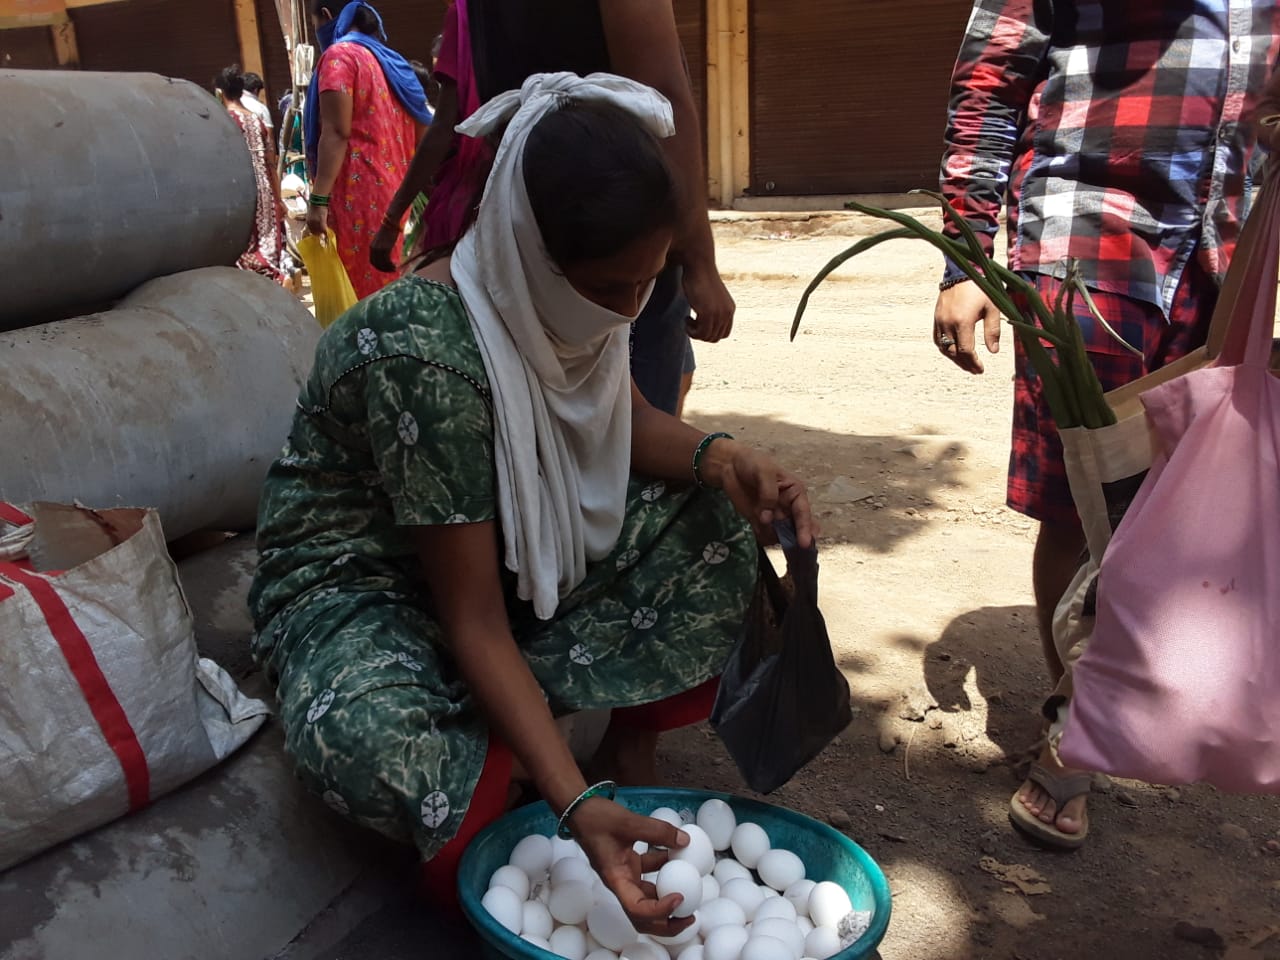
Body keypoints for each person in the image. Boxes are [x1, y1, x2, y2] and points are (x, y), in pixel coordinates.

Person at [248, 74, 812, 926]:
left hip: (500, 546)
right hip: (364, 584)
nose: (629, 310)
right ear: (532, 255)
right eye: (612, 287)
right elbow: (468, 615)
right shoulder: (425, 352)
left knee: (709, 521)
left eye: (647, 284)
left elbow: (618, 417)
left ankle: (623, 749)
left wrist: (721, 455)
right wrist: (573, 802)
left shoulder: (561, 298)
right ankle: (525, 776)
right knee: (375, 744)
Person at [933, 0, 1280, 849]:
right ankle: (1074, 736)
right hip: (1090, 244)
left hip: (1228, 252)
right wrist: (967, 257)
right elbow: (991, 76)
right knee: (1083, 503)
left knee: (1197, 504)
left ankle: (1139, 707)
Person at [369, 0, 732, 418]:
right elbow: (664, 89)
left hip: (537, 214)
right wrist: (701, 263)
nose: (626, 307)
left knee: (593, 411)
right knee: (600, 423)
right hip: (605, 221)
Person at [304, 0, 432, 299]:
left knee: (359, 299)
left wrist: (318, 199)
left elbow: (336, 131)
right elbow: (423, 131)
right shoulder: (394, 63)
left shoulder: (339, 57)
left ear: (326, 16)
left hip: (354, 198)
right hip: (394, 199)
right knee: (386, 289)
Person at [214, 65, 288, 284]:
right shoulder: (257, 120)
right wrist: (278, 199)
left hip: (240, 193)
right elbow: (270, 163)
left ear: (220, 93)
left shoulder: (223, 121)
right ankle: (277, 280)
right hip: (265, 192)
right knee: (265, 246)